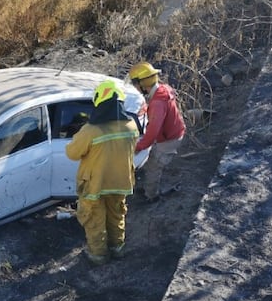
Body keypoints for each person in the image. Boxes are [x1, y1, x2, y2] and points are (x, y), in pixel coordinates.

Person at [65, 80, 140, 266]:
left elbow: (72, 153)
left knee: (94, 220)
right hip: (121, 182)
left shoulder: (90, 130)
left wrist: (79, 133)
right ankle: (118, 249)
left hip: (95, 185)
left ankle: (98, 256)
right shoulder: (131, 126)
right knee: (117, 215)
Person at [128, 61, 186, 202]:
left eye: (135, 84)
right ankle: (150, 188)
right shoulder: (163, 90)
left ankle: (151, 196)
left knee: (154, 165)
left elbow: (153, 132)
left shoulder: (157, 103)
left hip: (169, 139)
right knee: (153, 161)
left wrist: (139, 146)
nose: (135, 87)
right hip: (173, 133)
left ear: (143, 83)